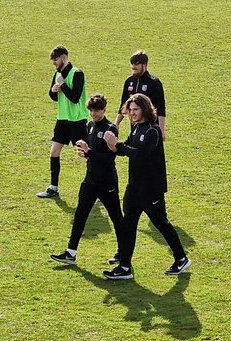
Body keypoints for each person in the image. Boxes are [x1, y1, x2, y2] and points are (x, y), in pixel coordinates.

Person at [101, 94, 191, 280]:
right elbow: (126, 148)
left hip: (150, 189)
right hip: (135, 187)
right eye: (130, 110)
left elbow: (140, 156)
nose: (132, 113)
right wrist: (111, 147)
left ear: (144, 109)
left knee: (161, 223)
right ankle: (125, 267)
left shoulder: (152, 131)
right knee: (128, 226)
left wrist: (117, 145)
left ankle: (181, 258)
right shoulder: (137, 128)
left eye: (135, 109)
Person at [51, 94, 125, 265]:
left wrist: (89, 152)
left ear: (104, 110)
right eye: (91, 110)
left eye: (97, 111)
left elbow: (109, 158)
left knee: (116, 217)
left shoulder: (110, 129)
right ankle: (71, 252)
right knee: (80, 215)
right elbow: (92, 152)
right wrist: (85, 153)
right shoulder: (90, 126)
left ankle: (123, 252)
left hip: (106, 182)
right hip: (90, 179)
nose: (93, 114)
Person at [38, 45, 88, 199]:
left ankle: (98, 185)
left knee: (86, 153)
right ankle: (53, 187)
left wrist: (63, 85)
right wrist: (53, 90)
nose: (54, 64)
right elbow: (54, 97)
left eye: (56, 61)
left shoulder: (77, 73)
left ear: (64, 58)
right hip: (62, 120)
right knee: (54, 152)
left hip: (77, 121)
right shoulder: (57, 74)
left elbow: (75, 97)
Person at [116, 50, 167, 138]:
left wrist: (161, 130)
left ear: (144, 65)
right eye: (132, 64)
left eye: (136, 64)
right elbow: (124, 103)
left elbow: (161, 107)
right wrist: (116, 124)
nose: (133, 67)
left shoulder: (154, 82)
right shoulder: (129, 81)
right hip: (135, 126)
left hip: (150, 126)